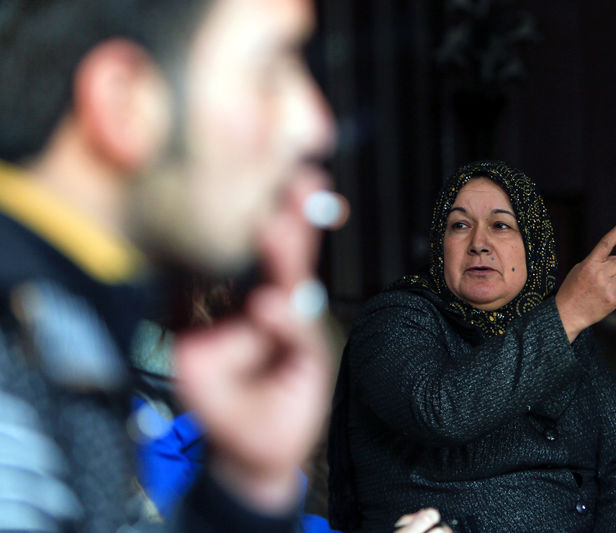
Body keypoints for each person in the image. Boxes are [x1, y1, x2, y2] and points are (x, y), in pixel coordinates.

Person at [0, 1, 448, 532]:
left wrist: (244, 488)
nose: (315, 125)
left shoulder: (61, 336)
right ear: (125, 102)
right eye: (270, 71)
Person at [328, 160, 616, 532]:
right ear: (440, 245)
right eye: (459, 225)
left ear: (533, 246)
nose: (478, 244)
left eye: (501, 225)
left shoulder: (562, 327)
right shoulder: (394, 319)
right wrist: (566, 315)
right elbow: (440, 410)